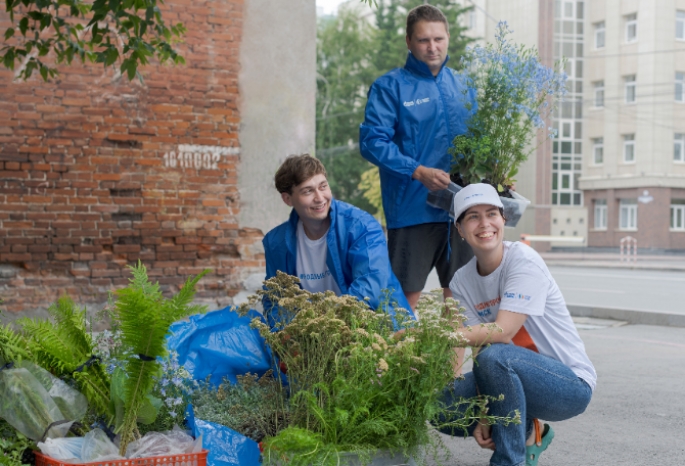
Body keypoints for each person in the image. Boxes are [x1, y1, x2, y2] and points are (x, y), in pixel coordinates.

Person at [439, 183, 597, 466]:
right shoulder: (462, 281)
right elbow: (479, 348)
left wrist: (440, 337)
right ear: (460, 229)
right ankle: (528, 433)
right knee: (442, 404)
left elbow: (503, 331)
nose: (484, 223)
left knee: (496, 355)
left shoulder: (523, 260)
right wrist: (486, 415)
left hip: (568, 384)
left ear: (504, 219)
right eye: (472, 217)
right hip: (507, 374)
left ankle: (509, 460)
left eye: (491, 214)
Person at [359, 4, 476, 310]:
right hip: (413, 211)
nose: (432, 47)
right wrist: (418, 171)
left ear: (448, 37)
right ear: (409, 42)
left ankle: (454, 361)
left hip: (461, 212)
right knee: (403, 305)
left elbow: (480, 142)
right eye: (424, 40)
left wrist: (497, 174)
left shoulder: (464, 86)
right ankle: (401, 360)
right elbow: (372, 142)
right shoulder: (390, 87)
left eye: (438, 39)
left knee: (461, 304)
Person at [262, 154, 413, 324]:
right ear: (287, 199)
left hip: (374, 325)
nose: (320, 198)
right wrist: (290, 335)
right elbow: (275, 301)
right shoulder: (276, 243)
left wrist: (324, 322)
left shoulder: (361, 227)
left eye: (323, 186)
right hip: (313, 338)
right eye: (308, 191)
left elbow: (371, 286)